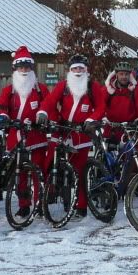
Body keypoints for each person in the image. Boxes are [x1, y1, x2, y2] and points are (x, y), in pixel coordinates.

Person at [39, 54, 107, 219]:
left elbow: (101, 106)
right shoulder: (63, 85)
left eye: (81, 68)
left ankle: (81, 205)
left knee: (80, 170)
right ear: (69, 70)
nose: (78, 71)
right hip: (63, 129)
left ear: (86, 70)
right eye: (75, 68)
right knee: (49, 162)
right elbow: (49, 100)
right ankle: (48, 194)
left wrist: (91, 119)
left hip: (81, 133)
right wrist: (43, 112)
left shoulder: (93, 87)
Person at [0, 46, 50, 219]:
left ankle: (39, 204)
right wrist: (3, 116)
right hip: (16, 138)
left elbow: (48, 106)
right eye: (20, 67)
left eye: (27, 67)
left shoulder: (41, 89)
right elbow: (1, 107)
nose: (24, 70)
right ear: (15, 69)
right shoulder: (8, 90)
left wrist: (43, 115)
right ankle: (24, 205)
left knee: (38, 173)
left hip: (36, 137)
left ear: (31, 69)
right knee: (20, 176)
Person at [104, 60, 138, 135]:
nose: (124, 77)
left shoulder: (134, 90)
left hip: (130, 128)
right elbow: (101, 104)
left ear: (130, 75)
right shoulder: (109, 89)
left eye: (126, 74)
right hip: (111, 128)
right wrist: (102, 118)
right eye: (121, 74)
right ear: (116, 75)